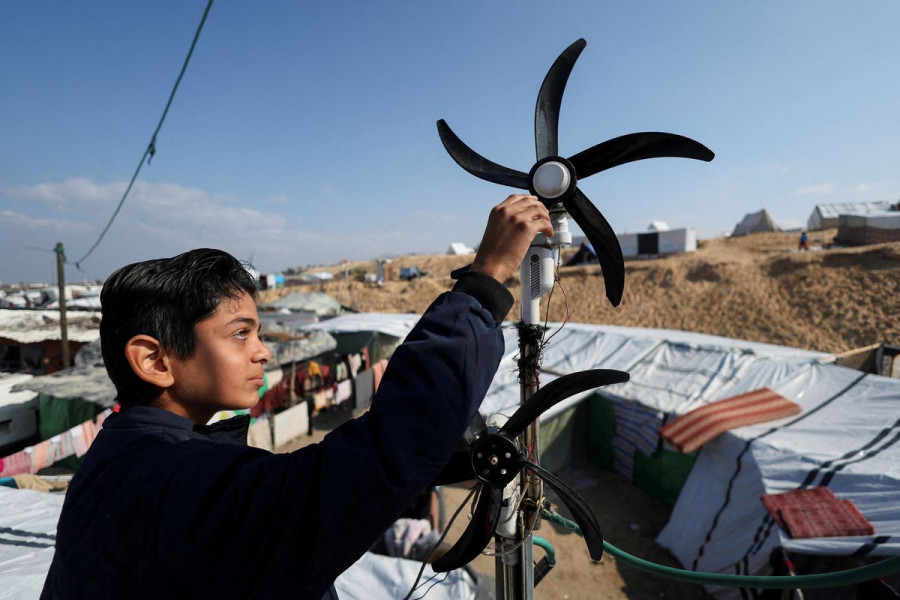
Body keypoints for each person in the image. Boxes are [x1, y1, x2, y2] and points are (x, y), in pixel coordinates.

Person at [41, 194, 552, 600]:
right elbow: (377, 458)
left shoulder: (119, 460)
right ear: (154, 360)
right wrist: (486, 281)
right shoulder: (185, 480)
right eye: (240, 333)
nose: (263, 353)